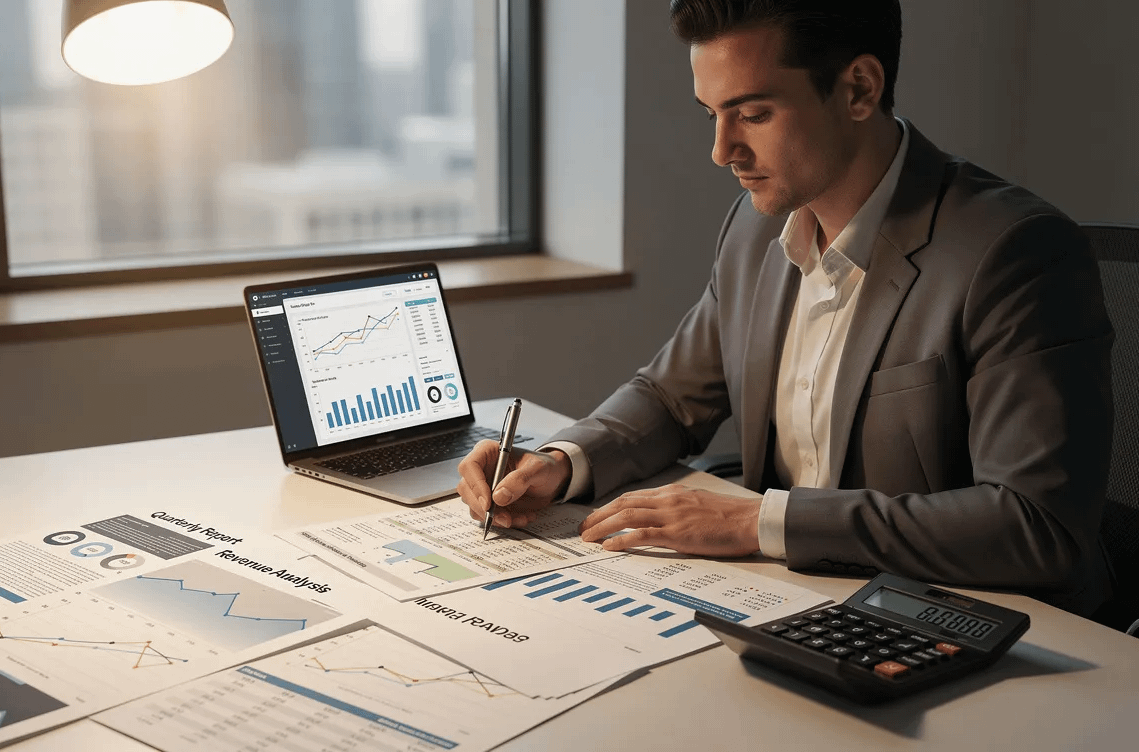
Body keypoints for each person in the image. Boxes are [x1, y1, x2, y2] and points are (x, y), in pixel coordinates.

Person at [457, 0, 1114, 615]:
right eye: (710, 113)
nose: (722, 152)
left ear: (859, 89)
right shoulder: (755, 227)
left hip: (953, 619)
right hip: (784, 598)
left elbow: (1035, 525)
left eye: (753, 114)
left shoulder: (1014, 252)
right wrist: (559, 461)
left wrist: (757, 521)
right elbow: (670, 397)